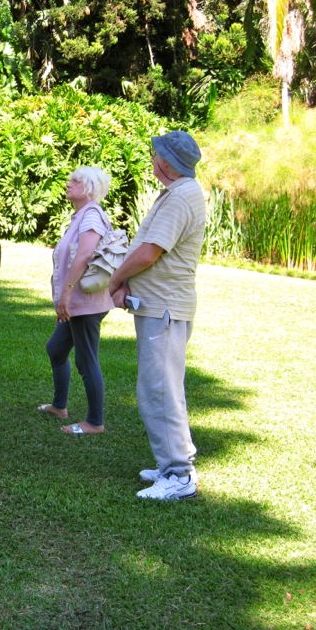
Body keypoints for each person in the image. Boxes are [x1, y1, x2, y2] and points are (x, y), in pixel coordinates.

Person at [109, 130, 206, 500]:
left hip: (165, 309)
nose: (153, 159)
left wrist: (116, 278)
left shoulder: (182, 196)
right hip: (160, 306)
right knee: (160, 387)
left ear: (166, 161)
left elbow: (150, 252)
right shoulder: (178, 193)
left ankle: (179, 474)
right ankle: (170, 464)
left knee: (160, 390)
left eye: (156, 154)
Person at [39, 167, 114, 434]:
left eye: (74, 180)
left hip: (85, 303)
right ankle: (60, 406)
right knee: (56, 349)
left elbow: (84, 256)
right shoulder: (81, 215)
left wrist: (66, 295)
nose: (67, 183)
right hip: (77, 301)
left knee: (86, 359)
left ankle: (95, 422)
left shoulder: (91, 215)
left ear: (89, 188)